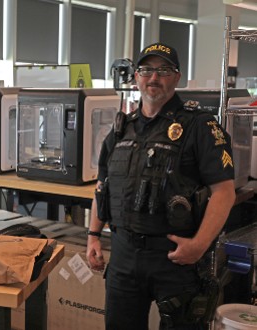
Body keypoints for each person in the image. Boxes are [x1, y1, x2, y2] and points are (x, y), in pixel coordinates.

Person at [86, 42, 236, 330]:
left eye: (163, 70)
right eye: (146, 70)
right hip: (124, 256)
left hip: (176, 258)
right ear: (136, 77)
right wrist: (93, 235)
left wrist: (199, 245)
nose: (153, 78)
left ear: (177, 77)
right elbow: (102, 185)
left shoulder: (200, 127)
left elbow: (224, 192)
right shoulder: (120, 130)